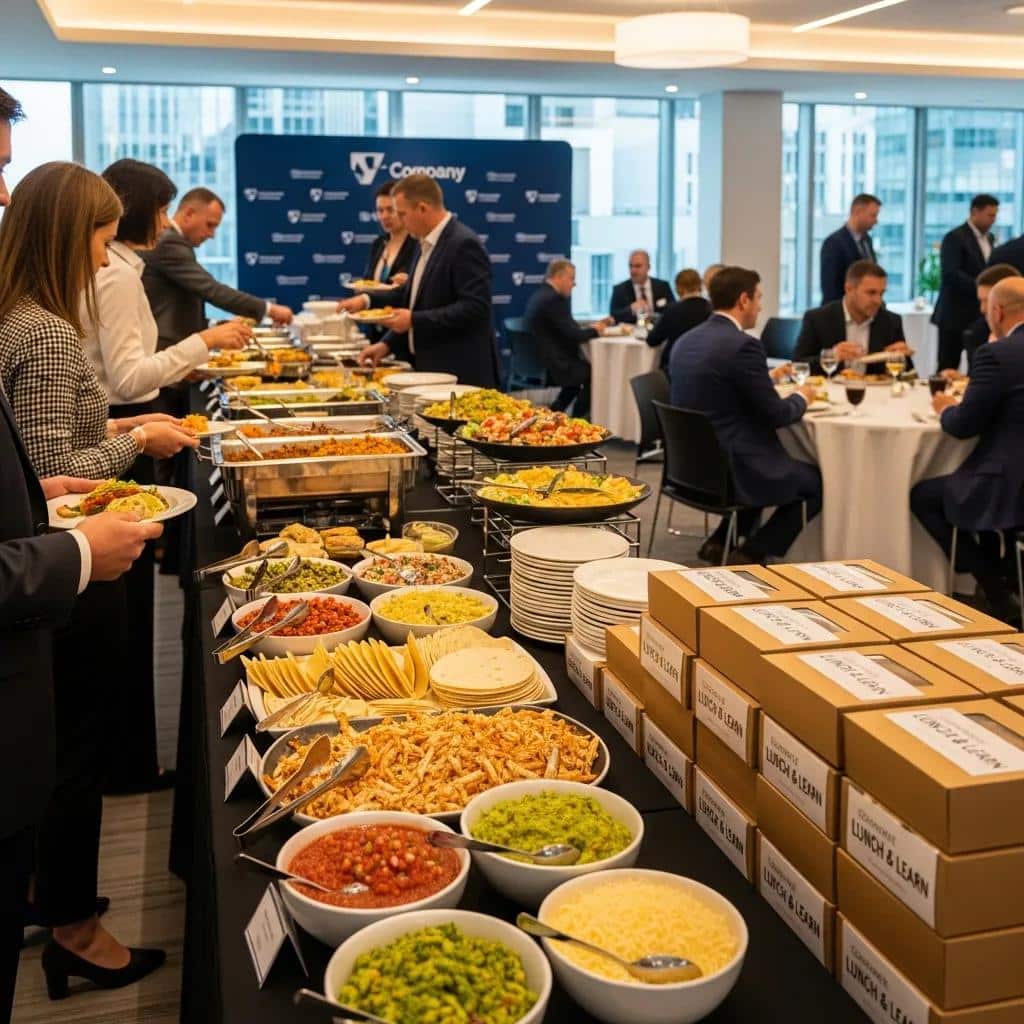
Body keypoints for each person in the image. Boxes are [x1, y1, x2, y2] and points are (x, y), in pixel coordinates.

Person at [0, 162, 198, 1002]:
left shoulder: (18, 316)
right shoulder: (42, 330)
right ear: (64, 235)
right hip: (69, 575)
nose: (107, 257)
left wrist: (122, 424)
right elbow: (54, 468)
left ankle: (55, 895)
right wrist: (136, 445)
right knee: (75, 753)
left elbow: (54, 441)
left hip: (47, 569)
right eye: (100, 238)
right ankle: (76, 928)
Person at [81, 159, 251, 794]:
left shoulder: (121, 266)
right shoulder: (120, 272)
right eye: (163, 209)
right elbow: (126, 375)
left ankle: (125, 760)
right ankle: (126, 764)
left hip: (121, 422)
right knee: (121, 611)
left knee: (127, 610)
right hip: (118, 426)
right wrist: (203, 346)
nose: (166, 221)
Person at [671, 267, 821, 565]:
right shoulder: (744, 345)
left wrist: (766, 376)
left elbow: (719, 384)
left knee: (764, 460)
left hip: (688, 469)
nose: (760, 306)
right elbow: (777, 414)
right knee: (816, 483)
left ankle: (718, 541)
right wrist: (802, 396)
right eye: (758, 298)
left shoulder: (686, 341)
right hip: (731, 470)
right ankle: (753, 550)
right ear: (743, 300)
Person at [911, 277, 1024, 624]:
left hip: (1005, 481)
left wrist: (945, 407)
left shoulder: (997, 354)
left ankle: (993, 587)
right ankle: (1003, 573)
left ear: (997, 311)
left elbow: (963, 426)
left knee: (923, 496)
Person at [338, 174, 498, 387]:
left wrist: (414, 320)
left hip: (459, 374)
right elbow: (410, 297)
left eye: (402, 214)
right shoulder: (424, 241)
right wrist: (384, 339)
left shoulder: (463, 244)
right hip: (430, 368)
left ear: (422, 208)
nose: (400, 221)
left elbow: (475, 308)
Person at [524, 259, 612, 419]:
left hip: (541, 359)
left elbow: (567, 329)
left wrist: (590, 329)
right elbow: (575, 335)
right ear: (559, 277)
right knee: (594, 373)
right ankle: (578, 419)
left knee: (581, 374)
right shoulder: (554, 300)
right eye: (571, 279)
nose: (574, 284)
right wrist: (597, 330)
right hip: (556, 363)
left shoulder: (541, 295)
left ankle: (555, 411)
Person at [794, 261, 908, 374]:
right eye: (871, 293)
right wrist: (832, 356)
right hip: (831, 390)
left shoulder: (891, 322)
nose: (878, 301)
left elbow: (909, 375)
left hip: (876, 391)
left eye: (881, 294)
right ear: (849, 289)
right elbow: (797, 366)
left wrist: (901, 359)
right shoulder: (818, 319)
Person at [932, 194, 999, 372]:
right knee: (947, 366)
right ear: (975, 212)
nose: (993, 220)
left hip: (978, 316)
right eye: (990, 215)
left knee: (978, 366)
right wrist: (984, 289)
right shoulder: (954, 237)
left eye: (995, 215)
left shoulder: (990, 238)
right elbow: (951, 274)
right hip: (954, 315)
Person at [645, 268, 712, 373]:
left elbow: (652, 340)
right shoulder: (711, 309)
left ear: (677, 288)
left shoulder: (672, 310)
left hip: (674, 367)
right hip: (704, 366)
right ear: (700, 285)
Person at [820, 193, 882, 304]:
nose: (876, 221)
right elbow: (831, 289)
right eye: (873, 215)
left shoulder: (867, 240)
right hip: (842, 314)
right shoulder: (834, 244)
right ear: (857, 212)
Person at [959, 263, 1022, 373]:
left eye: (987, 300)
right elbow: (978, 377)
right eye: (980, 301)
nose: (982, 309)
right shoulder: (976, 333)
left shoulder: (993, 350)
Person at [362, 180, 417, 287]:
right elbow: (366, 281)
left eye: (390, 210)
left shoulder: (417, 244)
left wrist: (409, 282)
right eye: (380, 210)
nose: (384, 216)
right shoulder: (378, 243)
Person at [609, 250, 673, 324]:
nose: (633, 270)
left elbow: (673, 310)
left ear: (648, 267)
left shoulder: (662, 286)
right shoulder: (619, 290)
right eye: (631, 266)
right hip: (631, 333)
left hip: (659, 331)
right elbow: (613, 316)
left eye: (638, 266)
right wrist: (631, 309)